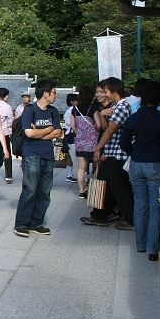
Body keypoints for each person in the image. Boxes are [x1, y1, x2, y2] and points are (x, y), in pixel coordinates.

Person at [120, 81, 160, 262]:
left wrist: (134, 153)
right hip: (155, 164)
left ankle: (140, 245)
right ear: (159, 99)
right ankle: (153, 249)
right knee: (155, 205)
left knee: (140, 204)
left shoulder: (133, 118)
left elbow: (123, 142)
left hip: (136, 164)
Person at [81, 77, 135, 230]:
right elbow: (105, 127)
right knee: (107, 186)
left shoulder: (122, 106)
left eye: (105, 91)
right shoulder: (115, 106)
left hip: (117, 153)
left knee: (120, 188)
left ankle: (131, 220)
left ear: (115, 92)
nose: (103, 94)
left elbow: (111, 130)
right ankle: (99, 215)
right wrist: (102, 114)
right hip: (112, 152)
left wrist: (98, 149)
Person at [14, 79, 61, 238]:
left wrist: (40, 133)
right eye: (54, 92)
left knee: (44, 191)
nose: (56, 95)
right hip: (31, 154)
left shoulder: (53, 111)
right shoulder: (30, 110)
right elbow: (29, 133)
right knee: (30, 189)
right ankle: (21, 224)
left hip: (47, 154)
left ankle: (36, 222)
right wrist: (48, 130)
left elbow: (58, 132)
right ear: (46, 93)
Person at [72, 86, 101, 199]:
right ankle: (95, 190)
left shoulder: (75, 109)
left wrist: (80, 133)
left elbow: (73, 126)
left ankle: (81, 190)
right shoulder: (93, 108)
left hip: (80, 140)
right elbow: (98, 125)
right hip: (92, 140)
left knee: (81, 167)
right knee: (96, 166)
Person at [63, 93, 79, 183]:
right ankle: (69, 175)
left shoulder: (75, 110)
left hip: (72, 133)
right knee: (71, 155)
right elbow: (71, 124)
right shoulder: (70, 111)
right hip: (70, 134)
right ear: (72, 102)